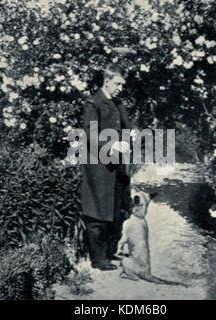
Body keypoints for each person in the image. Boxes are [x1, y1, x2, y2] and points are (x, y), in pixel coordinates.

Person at [80, 64, 136, 271]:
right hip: (98, 167)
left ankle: (109, 252)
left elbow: (126, 127)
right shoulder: (93, 103)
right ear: (107, 81)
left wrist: (130, 136)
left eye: (123, 84)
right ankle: (98, 259)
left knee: (115, 210)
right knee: (97, 213)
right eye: (118, 83)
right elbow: (90, 134)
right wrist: (112, 143)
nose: (121, 87)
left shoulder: (117, 103)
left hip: (116, 165)